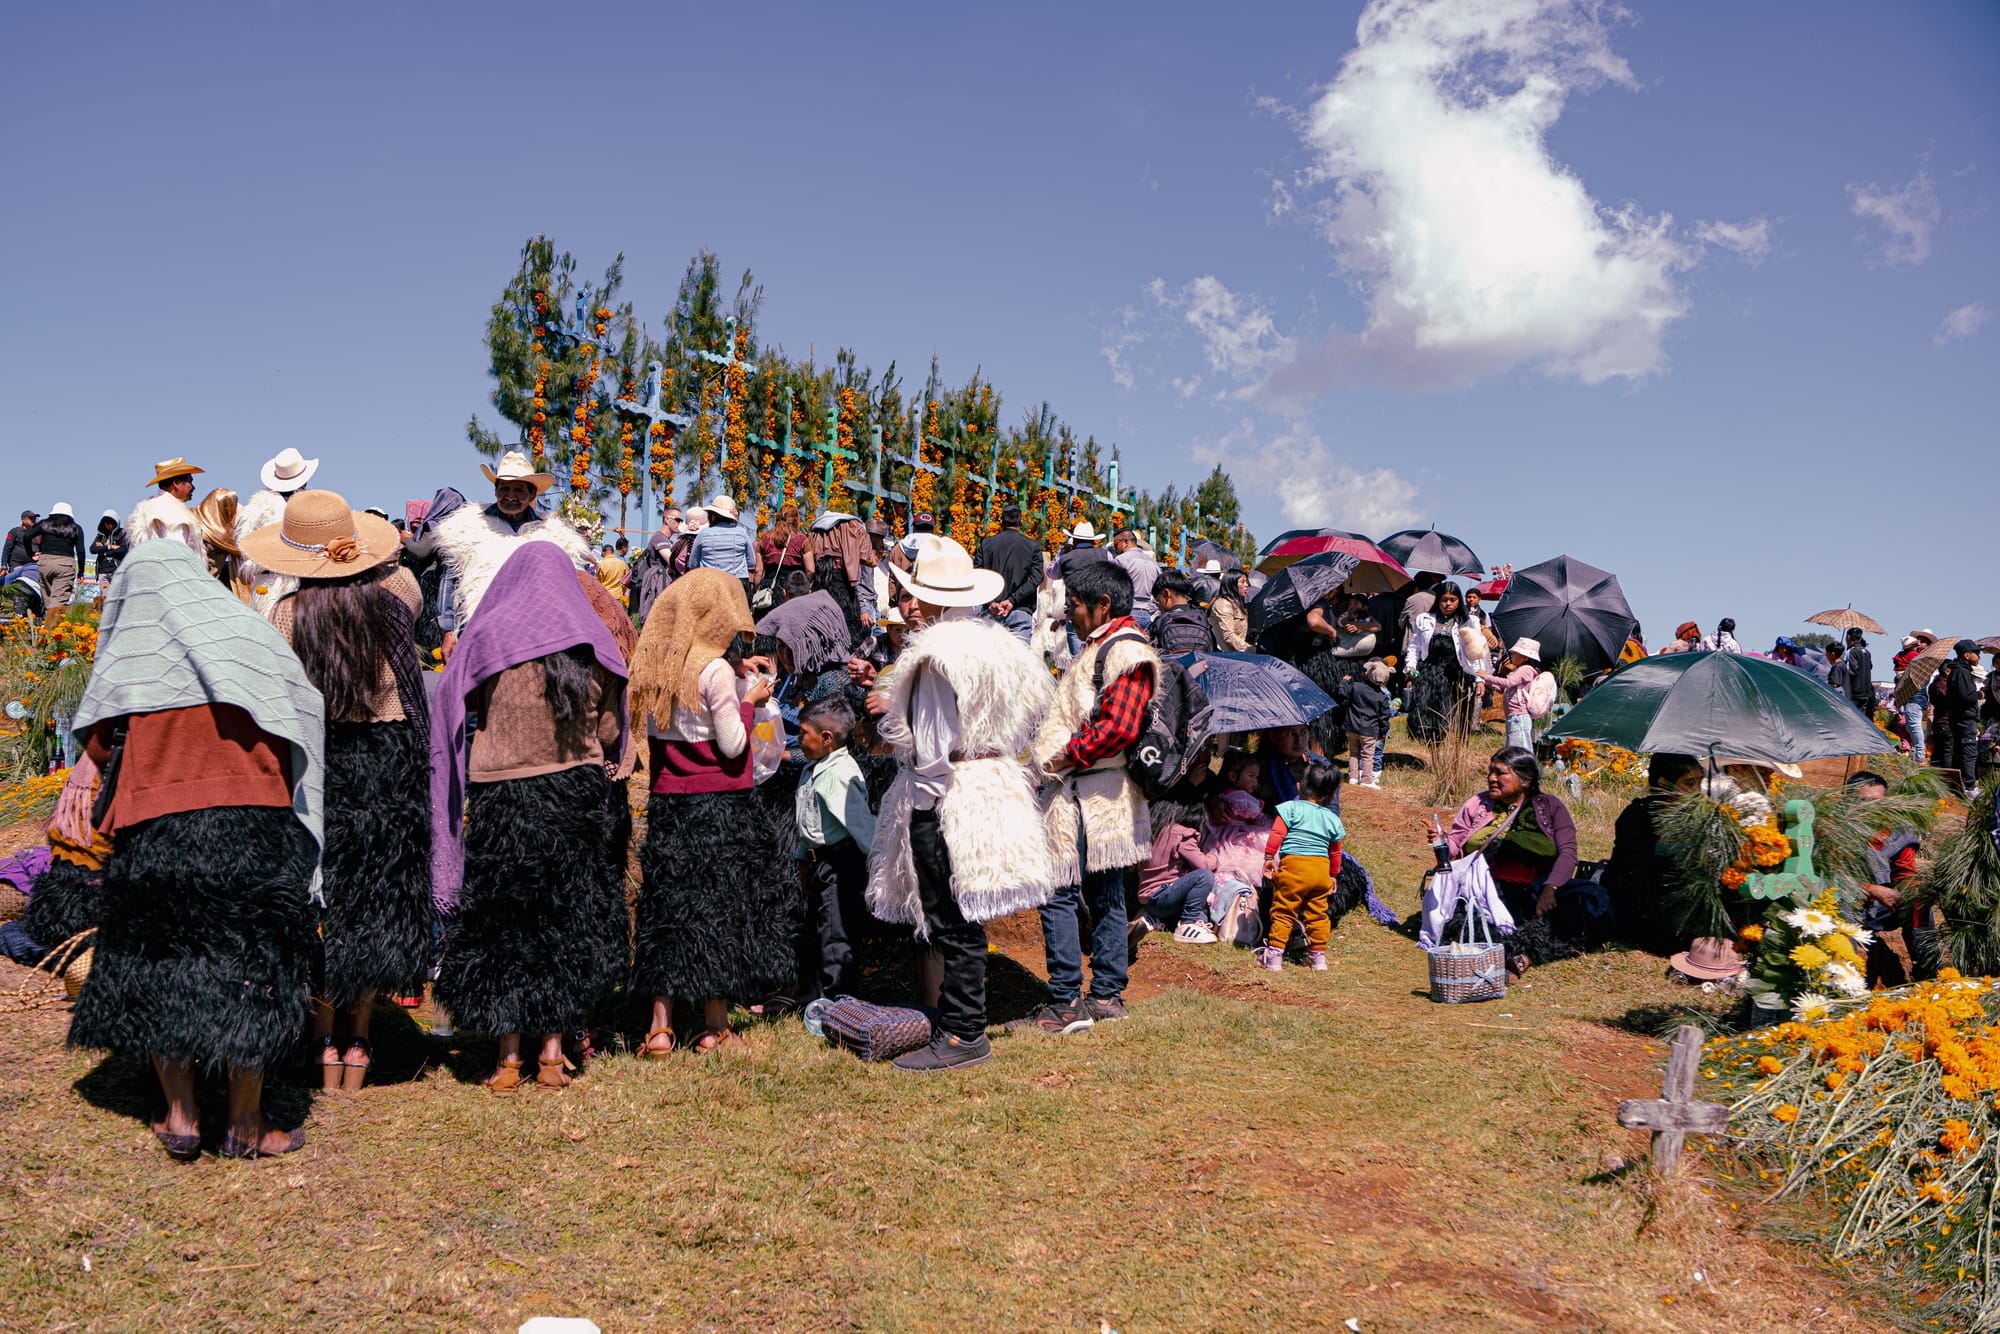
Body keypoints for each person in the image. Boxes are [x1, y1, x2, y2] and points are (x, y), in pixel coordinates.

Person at [65, 538, 325, 1159]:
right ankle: (245, 1122)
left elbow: (102, 740)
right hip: (251, 819)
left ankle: (180, 1116)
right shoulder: (248, 632)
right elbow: (300, 705)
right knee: (252, 963)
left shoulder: (132, 651)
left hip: (157, 824)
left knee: (162, 959)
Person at [242, 492, 431, 1094]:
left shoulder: (289, 615)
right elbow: (404, 573)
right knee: (376, 895)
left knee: (323, 896)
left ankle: (322, 1038)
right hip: (389, 761)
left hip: (319, 765)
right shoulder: (398, 598)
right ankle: (360, 1039)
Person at [431, 543, 631, 1093]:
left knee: (505, 921)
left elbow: (455, 700)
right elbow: (613, 731)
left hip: (503, 797)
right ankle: (551, 1055)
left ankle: (508, 1060)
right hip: (574, 795)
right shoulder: (593, 638)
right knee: (564, 918)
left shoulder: (491, 633)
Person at [864, 538, 1056, 1068]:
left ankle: (963, 1032)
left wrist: (922, 810)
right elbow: (1031, 721)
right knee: (967, 914)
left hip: (948, 796)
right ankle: (960, 1022)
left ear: (923, 599)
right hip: (991, 785)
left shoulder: (933, 656)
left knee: (950, 917)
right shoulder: (1001, 647)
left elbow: (930, 749)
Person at [627, 569, 792, 1056]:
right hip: (717, 804)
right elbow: (734, 743)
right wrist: (749, 700)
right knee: (719, 910)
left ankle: (660, 1026)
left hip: (668, 802)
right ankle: (714, 1026)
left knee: (668, 909)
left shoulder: (659, 666)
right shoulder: (715, 671)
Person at [1016, 559, 1156, 1035]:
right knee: (1105, 894)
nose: (1069, 614)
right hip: (1094, 793)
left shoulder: (1126, 652)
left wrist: (1058, 758)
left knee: (1061, 892)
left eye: (1074, 605)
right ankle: (1105, 997)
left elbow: (1117, 728)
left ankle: (1067, 1003)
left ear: (1103, 605)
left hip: (1089, 793)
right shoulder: (1105, 647)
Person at [422, 450, 593, 646]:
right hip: (479, 634)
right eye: (504, 488)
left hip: (535, 636)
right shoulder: (468, 526)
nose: (510, 496)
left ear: (532, 494)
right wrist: (449, 630)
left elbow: (570, 588)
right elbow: (450, 580)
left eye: (519, 490)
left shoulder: (554, 535)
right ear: (496, 491)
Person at [1442, 747, 1579, 977]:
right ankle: (1512, 954)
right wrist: (1441, 844)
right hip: (1486, 890)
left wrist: (1550, 888)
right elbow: (1455, 843)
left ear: (1525, 780)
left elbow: (1568, 852)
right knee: (1471, 924)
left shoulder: (1551, 807)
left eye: (1500, 773)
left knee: (1585, 903)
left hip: (1538, 889)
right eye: (1490, 772)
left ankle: (1525, 957)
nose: (1491, 778)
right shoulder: (1478, 804)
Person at [793, 694, 877, 1003]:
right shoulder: (814, 768)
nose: (798, 739)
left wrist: (878, 867)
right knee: (818, 930)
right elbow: (809, 824)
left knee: (836, 934)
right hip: (818, 864)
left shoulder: (840, 776)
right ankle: (814, 994)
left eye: (803, 734)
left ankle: (838, 1000)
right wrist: (803, 860)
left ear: (826, 738)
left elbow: (861, 826)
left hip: (840, 866)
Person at [1602, 752, 1702, 954]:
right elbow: (1635, 866)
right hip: (1638, 892)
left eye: (1701, 782)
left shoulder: (1697, 815)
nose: (1697, 791)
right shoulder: (1638, 815)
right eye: (1689, 784)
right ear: (1664, 785)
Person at [1846, 771, 1937, 987]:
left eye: (1878, 802)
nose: (1871, 809)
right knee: (1842, 907)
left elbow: (1905, 872)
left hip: (1881, 908)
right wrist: (1871, 889)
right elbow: (1828, 875)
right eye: (1863, 802)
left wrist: (1909, 891)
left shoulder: (1896, 829)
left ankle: (1927, 972)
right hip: (1845, 902)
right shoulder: (1834, 828)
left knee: (1918, 903)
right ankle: (1843, 978)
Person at [1258, 761, 1345, 971]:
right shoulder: (1332, 819)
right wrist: (1333, 875)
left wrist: (1269, 857)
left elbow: (1277, 833)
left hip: (1294, 869)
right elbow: (1335, 851)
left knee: (1284, 911)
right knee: (1317, 915)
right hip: (1319, 871)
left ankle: (1274, 957)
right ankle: (1318, 959)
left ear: (1299, 786)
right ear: (1332, 795)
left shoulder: (1290, 808)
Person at [234, 447, 319, 617]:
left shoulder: (256, 507)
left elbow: (242, 542)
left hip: (265, 581)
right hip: (294, 579)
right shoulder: (307, 507)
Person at [1134, 798, 1220, 944]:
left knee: (1194, 898)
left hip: (1149, 900)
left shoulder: (1155, 831)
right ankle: (1188, 924)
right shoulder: (1182, 834)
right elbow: (1203, 864)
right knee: (1204, 877)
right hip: (1163, 896)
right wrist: (1214, 857)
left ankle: (1153, 919)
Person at [1405, 583, 1477, 743]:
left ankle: (1456, 751)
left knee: (1455, 716)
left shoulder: (1468, 621)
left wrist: (1479, 679)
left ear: (1459, 601)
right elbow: (1414, 646)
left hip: (1457, 674)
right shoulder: (1424, 619)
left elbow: (1476, 652)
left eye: (1452, 600)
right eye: (1444, 600)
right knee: (1427, 715)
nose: (1448, 604)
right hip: (1429, 672)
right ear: (1438, 600)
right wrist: (1410, 667)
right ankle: (1433, 746)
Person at [972, 503, 1042, 644]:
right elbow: (1036, 578)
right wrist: (1012, 600)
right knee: (1019, 662)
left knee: (991, 661)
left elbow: (977, 576)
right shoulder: (1032, 546)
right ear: (1020, 523)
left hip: (991, 613)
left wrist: (991, 602)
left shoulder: (986, 544)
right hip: (1020, 611)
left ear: (1001, 522)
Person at [687, 494, 764, 602]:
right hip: (737, 584)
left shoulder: (703, 534)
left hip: (710, 583)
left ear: (712, 514)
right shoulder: (741, 533)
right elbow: (751, 562)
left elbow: (693, 564)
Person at [1936, 640, 1984, 795]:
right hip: (1964, 718)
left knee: (1961, 751)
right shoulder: (1961, 672)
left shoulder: (1958, 671)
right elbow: (1966, 697)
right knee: (1969, 752)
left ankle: (1962, 786)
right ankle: (1969, 787)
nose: (1979, 656)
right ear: (1967, 655)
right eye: (1976, 653)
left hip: (1960, 718)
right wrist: (1981, 694)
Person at [1479, 638, 1542, 752]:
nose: (1511, 656)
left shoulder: (1526, 670)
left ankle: (1522, 769)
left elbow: (1508, 683)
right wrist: (1487, 682)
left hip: (1519, 716)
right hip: (1514, 716)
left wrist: (1487, 677)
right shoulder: (1518, 670)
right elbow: (1503, 689)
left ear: (1525, 657)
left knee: (1518, 750)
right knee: (1515, 747)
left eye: (1515, 654)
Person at [1339, 659, 1392, 789]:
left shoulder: (1356, 687)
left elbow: (1341, 692)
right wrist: (1383, 732)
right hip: (1370, 731)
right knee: (1368, 756)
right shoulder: (1382, 697)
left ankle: (1352, 777)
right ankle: (1366, 780)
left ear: (1366, 674)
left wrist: (1344, 681)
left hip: (1352, 728)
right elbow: (1384, 717)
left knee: (1354, 753)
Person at [28, 502, 85, 621]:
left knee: (49, 601)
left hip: (45, 563)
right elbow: (80, 551)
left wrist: (31, 553)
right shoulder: (76, 528)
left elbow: (26, 536)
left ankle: (49, 628)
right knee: (57, 601)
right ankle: (51, 632)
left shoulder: (43, 524)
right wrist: (81, 573)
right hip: (65, 565)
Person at [1149, 569, 1217, 653]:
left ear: (1166, 593)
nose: (1159, 606)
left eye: (1158, 600)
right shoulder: (1202, 619)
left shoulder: (1160, 622)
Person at [635, 506, 683, 618]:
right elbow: (672, 562)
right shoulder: (659, 538)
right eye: (677, 520)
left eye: (681, 520)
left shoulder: (668, 540)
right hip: (658, 587)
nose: (680, 524)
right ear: (666, 519)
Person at [1894, 631, 1936, 757]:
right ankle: (1918, 754)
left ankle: (1919, 755)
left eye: (1923, 641)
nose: (1919, 643)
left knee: (1913, 725)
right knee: (1911, 726)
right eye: (1918, 641)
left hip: (1917, 699)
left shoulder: (1922, 662)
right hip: (1914, 699)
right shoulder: (1916, 660)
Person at [1111, 528, 1159, 630]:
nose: (1115, 549)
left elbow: (1112, 589)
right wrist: (1151, 608)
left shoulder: (1120, 561)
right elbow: (1160, 591)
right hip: (1147, 615)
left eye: (1116, 545)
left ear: (1125, 542)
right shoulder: (1153, 563)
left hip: (1127, 614)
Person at [1209, 566, 1251, 652]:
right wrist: (1249, 649)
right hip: (1226, 656)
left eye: (1246, 582)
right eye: (1242, 582)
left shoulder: (1238, 604)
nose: (1246, 585)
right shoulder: (1223, 604)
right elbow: (1228, 635)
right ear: (1232, 584)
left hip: (1237, 654)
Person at [1840, 627, 1876, 715]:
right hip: (1866, 691)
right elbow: (1870, 667)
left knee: (1852, 716)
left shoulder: (1851, 651)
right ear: (1860, 638)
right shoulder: (1866, 652)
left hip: (1855, 691)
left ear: (1848, 637)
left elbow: (1852, 670)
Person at [90, 509, 127, 581]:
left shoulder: (123, 533)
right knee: (104, 592)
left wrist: (103, 550)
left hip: (118, 570)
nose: (110, 526)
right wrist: (110, 546)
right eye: (107, 523)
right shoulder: (101, 535)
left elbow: (123, 549)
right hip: (103, 571)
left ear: (117, 523)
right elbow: (93, 549)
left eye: (112, 523)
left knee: (118, 592)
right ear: (103, 523)